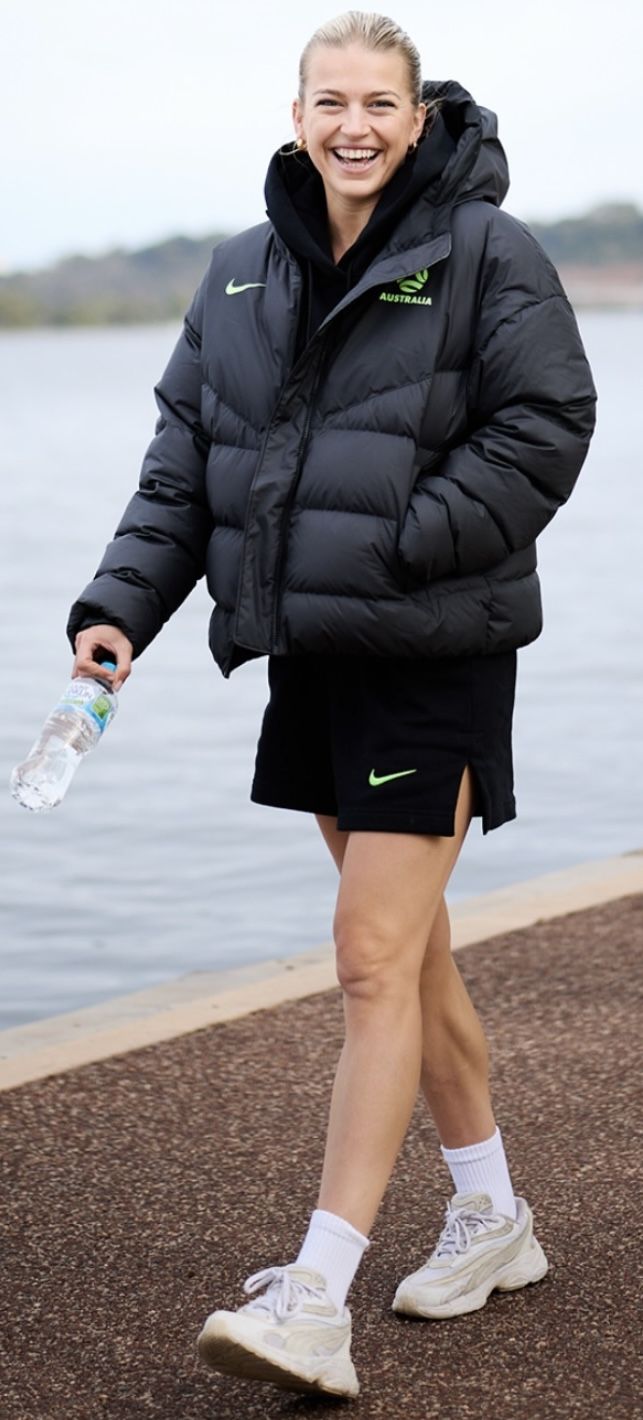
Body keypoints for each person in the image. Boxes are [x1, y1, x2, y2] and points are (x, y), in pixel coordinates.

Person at [67, 10, 597, 1401]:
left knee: (368, 959)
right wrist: (121, 607)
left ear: (417, 119)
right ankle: (493, 1215)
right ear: (297, 114)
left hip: (433, 652)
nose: (353, 124)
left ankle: (317, 1294)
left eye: (378, 103)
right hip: (312, 657)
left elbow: (547, 424)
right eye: (330, 100)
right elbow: (185, 460)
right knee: (409, 958)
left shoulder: (486, 251)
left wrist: (403, 542)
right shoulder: (244, 270)